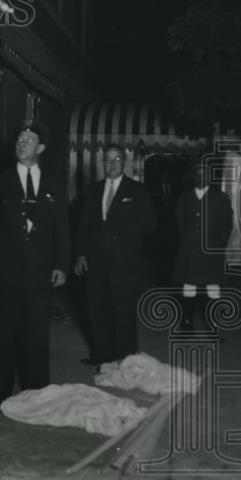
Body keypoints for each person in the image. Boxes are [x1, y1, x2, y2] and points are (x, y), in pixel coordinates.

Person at [0, 122, 70, 407]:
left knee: (36, 331)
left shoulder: (54, 184)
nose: (22, 143)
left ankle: (36, 388)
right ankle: (2, 390)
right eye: (19, 138)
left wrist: (62, 265)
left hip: (41, 272)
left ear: (40, 148)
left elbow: (63, 229)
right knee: (2, 327)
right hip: (3, 273)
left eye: (29, 139)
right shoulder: (0, 182)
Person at [74, 145, 157, 366]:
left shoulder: (137, 190)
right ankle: (101, 354)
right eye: (108, 160)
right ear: (103, 164)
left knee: (122, 309)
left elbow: (149, 225)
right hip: (96, 260)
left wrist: (128, 244)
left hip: (124, 261)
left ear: (125, 162)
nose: (112, 164)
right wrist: (81, 254)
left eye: (116, 159)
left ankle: (125, 358)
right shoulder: (93, 190)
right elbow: (83, 225)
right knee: (97, 307)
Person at [173, 163, 233, 335]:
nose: (201, 177)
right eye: (197, 174)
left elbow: (227, 225)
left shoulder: (221, 198)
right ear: (193, 177)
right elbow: (180, 224)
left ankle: (213, 326)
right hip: (189, 248)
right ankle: (187, 323)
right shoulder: (184, 198)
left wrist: (217, 245)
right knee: (188, 284)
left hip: (211, 250)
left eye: (205, 174)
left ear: (210, 177)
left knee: (213, 286)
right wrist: (190, 240)